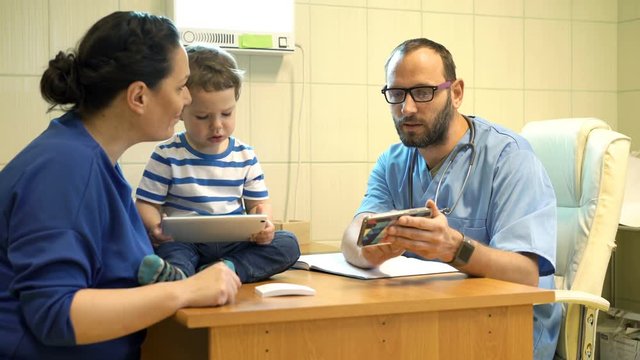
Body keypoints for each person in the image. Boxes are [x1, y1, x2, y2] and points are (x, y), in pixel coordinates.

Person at [0, 11, 241, 360]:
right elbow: (56, 314)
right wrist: (184, 292)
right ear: (139, 97)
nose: (187, 99)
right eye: (179, 87)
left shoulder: (90, 159)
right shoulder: (64, 168)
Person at [341, 38, 561, 360]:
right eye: (397, 94)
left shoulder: (508, 158)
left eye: (423, 92)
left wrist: (455, 248)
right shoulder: (393, 162)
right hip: (432, 322)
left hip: (506, 331)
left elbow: (526, 274)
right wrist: (368, 252)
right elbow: (354, 234)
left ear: (455, 93)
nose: (408, 108)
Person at [135, 44, 300, 285]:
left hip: (234, 243)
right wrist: (155, 226)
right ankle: (180, 275)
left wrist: (265, 224)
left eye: (227, 113)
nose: (217, 125)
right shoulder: (167, 154)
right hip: (186, 242)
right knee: (173, 253)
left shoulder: (245, 155)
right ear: (181, 110)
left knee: (287, 243)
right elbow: (146, 204)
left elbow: (259, 205)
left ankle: (226, 269)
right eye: (203, 117)